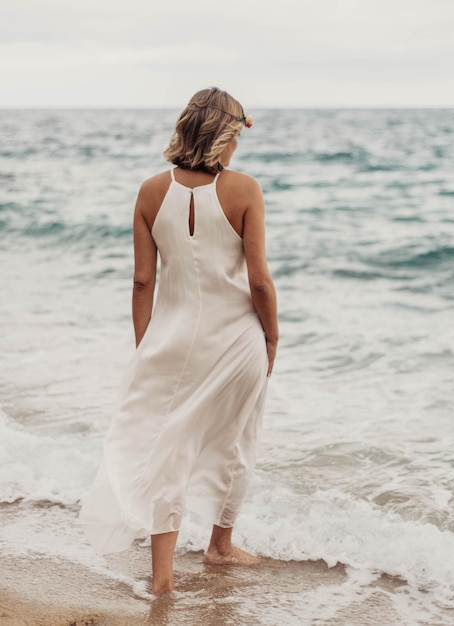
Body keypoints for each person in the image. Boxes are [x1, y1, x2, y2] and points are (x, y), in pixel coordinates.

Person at [79, 86, 278, 593]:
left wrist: (147, 344)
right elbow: (259, 281)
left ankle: (162, 578)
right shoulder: (245, 190)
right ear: (226, 136)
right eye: (236, 136)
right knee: (236, 441)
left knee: (168, 449)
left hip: (170, 341)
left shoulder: (150, 191)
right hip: (236, 340)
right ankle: (220, 546)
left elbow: (142, 282)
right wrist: (272, 337)